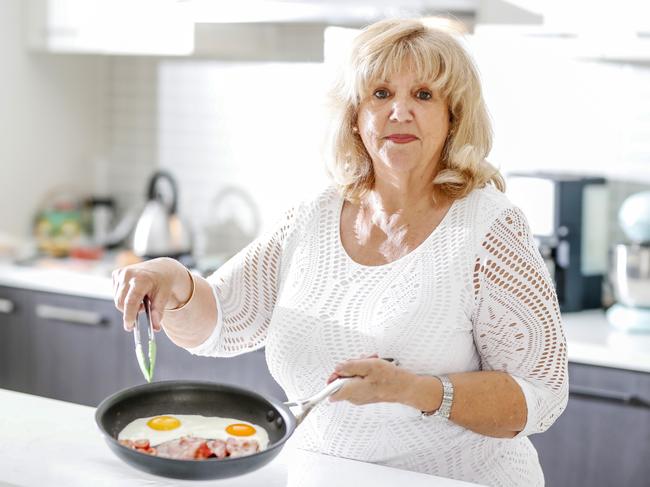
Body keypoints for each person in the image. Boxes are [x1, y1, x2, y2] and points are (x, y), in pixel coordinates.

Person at [112, 18, 568, 486]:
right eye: (381, 94)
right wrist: (176, 282)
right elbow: (224, 321)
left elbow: (540, 394)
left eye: (424, 95)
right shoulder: (313, 215)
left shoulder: (489, 226)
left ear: (454, 116)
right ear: (355, 116)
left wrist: (416, 391)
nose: (400, 111)